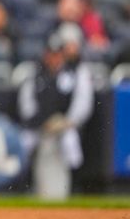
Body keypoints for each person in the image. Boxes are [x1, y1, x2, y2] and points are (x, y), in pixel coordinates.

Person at [18, 32, 94, 199]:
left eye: (57, 54)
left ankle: (74, 188)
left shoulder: (75, 72)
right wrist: (41, 122)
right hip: (39, 127)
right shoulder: (35, 73)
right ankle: (25, 188)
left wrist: (68, 121)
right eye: (51, 54)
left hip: (65, 127)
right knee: (22, 148)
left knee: (71, 147)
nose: (54, 58)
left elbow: (82, 103)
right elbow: (26, 104)